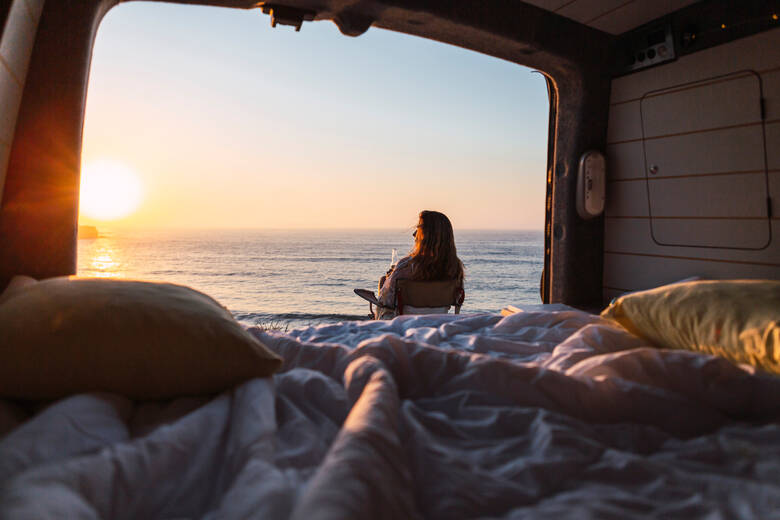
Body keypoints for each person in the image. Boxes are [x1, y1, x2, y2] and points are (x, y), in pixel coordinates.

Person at [375, 210, 465, 319]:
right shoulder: (455, 269)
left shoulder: (406, 266)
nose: (414, 235)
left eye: (418, 230)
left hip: (405, 326)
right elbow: (456, 302)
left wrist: (390, 279)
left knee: (383, 281)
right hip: (438, 324)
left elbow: (385, 302)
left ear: (424, 236)